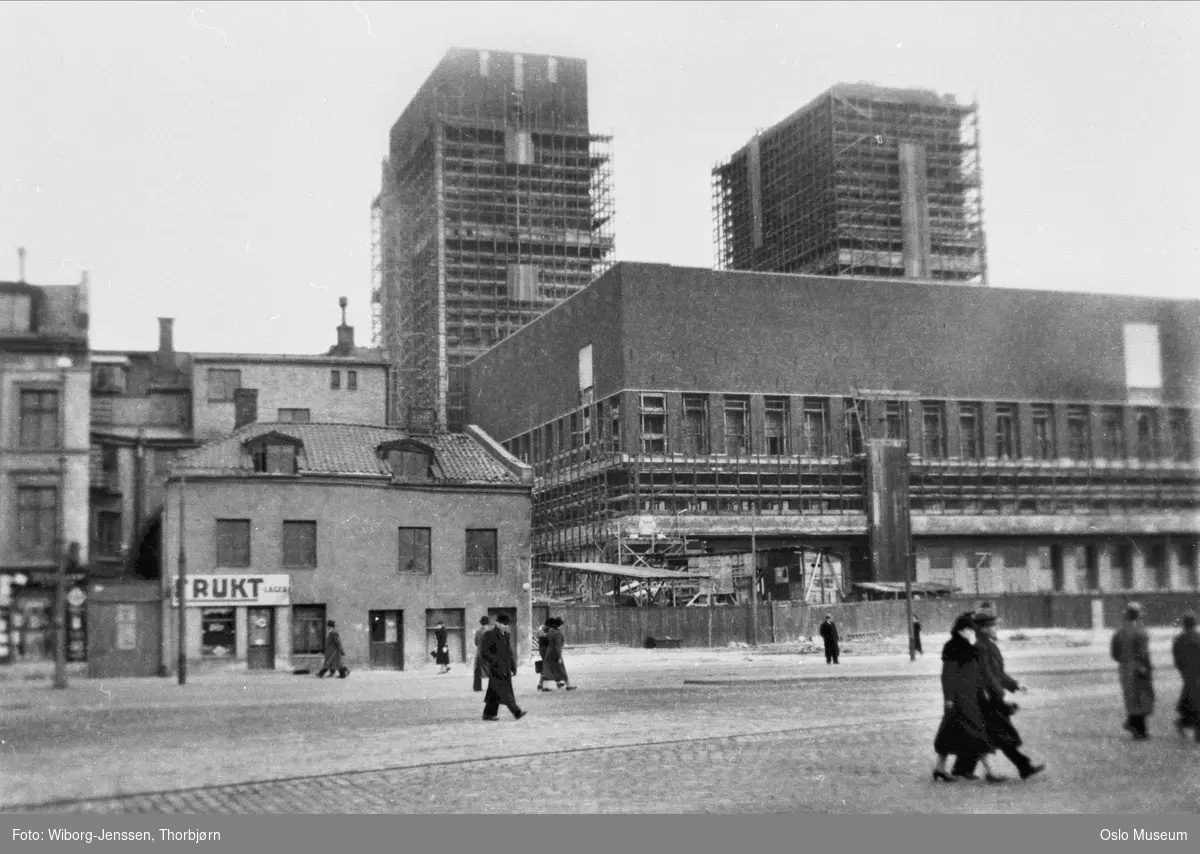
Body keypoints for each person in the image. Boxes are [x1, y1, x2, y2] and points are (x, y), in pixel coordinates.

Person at [952, 610, 1045, 780]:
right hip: (986, 698)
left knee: (989, 734)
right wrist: (998, 694)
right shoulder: (982, 646)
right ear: (984, 628)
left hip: (987, 696)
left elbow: (998, 673)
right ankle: (1023, 767)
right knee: (1001, 734)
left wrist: (1015, 685)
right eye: (992, 625)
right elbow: (987, 675)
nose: (995, 628)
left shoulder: (987, 644)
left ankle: (962, 768)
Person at [932, 612, 1003, 783]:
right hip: (959, 699)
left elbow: (976, 671)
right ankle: (991, 772)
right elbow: (947, 676)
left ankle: (939, 769)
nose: (973, 633)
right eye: (970, 630)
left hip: (969, 696)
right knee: (977, 733)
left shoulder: (968, 646)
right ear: (962, 630)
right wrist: (949, 698)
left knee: (948, 734)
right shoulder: (952, 646)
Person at [1111, 602, 1155, 739]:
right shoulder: (1139, 630)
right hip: (1139, 668)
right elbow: (1143, 652)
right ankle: (1139, 730)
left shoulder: (1119, 631)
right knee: (1142, 698)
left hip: (1125, 668)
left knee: (1131, 699)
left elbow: (1114, 652)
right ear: (1137, 615)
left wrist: (1123, 661)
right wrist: (1144, 667)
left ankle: (1134, 725)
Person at [480, 613, 526, 722]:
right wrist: (495, 661)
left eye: (507, 625)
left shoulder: (506, 635)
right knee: (505, 691)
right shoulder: (489, 634)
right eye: (504, 624)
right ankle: (516, 712)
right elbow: (484, 652)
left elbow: (509, 653)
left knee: (494, 692)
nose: (506, 626)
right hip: (496, 669)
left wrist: (513, 666)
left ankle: (488, 714)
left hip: (505, 668)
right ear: (497, 623)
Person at [1171, 611, 1200, 742]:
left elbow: (1177, 659)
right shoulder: (1198, 638)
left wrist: (1183, 671)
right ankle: (1189, 727)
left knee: (1191, 702)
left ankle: (1183, 723)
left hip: (1188, 675)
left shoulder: (1178, 640)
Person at [542, 617, 576, 691]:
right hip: (555, 652)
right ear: (559, 625)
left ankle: (545, 686)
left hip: (549, 651)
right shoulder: (557, 633)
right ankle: (568, 685)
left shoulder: (550, 631)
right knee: (561, 669)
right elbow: (558, 646)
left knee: (547, 668)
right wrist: (559, 657)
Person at [472, 616, 491, 692]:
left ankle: (477, 687)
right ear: (488, 623)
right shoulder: (489, 632)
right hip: (487, 654)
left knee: (477, 671)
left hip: (479, 653)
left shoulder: (478, 631)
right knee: (491, 671)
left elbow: (476, 643)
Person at [535, 619, 553, 692]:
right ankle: (544, 686)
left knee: (545, 666)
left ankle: (540, 684)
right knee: (546, 667)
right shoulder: (547, 630)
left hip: (541, 649)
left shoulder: (540, 628)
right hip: (546, 649)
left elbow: (538, 636)